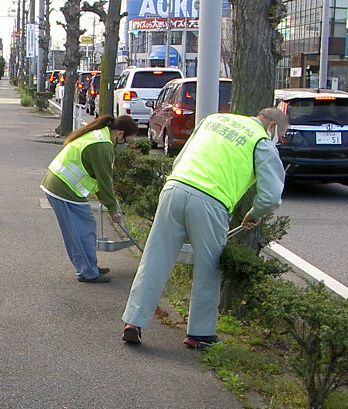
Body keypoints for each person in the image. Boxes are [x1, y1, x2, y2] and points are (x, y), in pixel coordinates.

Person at [120, 106, 289, 349]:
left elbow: (180, 158)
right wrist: (255, 213)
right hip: (211, 201)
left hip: (176, 187)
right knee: (208, 267)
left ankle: (133, 321)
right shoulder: (261, 141)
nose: (278, 141)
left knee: (155, 258)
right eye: (280, 135)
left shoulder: (214, 120)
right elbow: (271, 197)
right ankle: (199, 333)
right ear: (272, 126)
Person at [40, 114, 137, 284]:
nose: (126, 145)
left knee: (82, 230)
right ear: (120, 134)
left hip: (62, 185)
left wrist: (108, 203)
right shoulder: (103, 146)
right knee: (82, 232)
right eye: (127, 140)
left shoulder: (99, 134)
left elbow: (100, 182)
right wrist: (113, 210)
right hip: (64, 188)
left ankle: (88, 267)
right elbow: (105, 181)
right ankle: (89, 272)